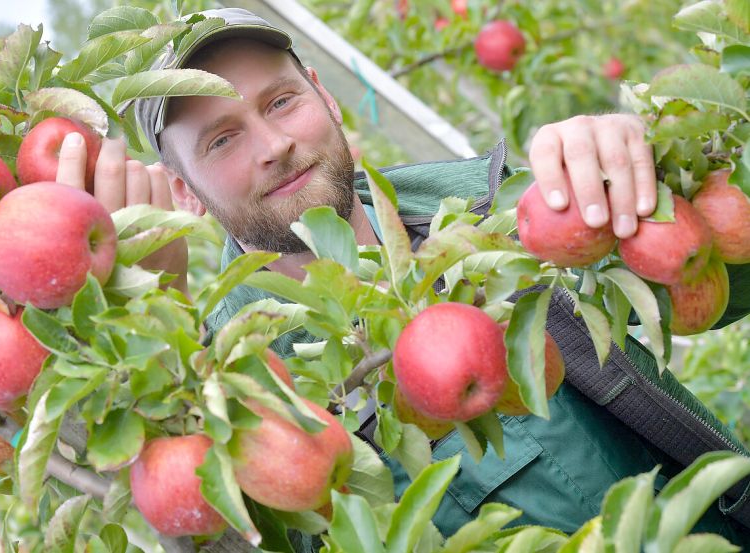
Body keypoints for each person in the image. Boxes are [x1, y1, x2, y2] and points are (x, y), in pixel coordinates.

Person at [54, 8, 750, 544]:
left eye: (279, 102)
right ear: (181, 192)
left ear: (323, 95)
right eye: (223, 139)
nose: (274, 146)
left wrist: (646, 180)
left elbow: (716, 290)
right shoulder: (242, 386)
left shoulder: (501, 210)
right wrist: (154, 319)